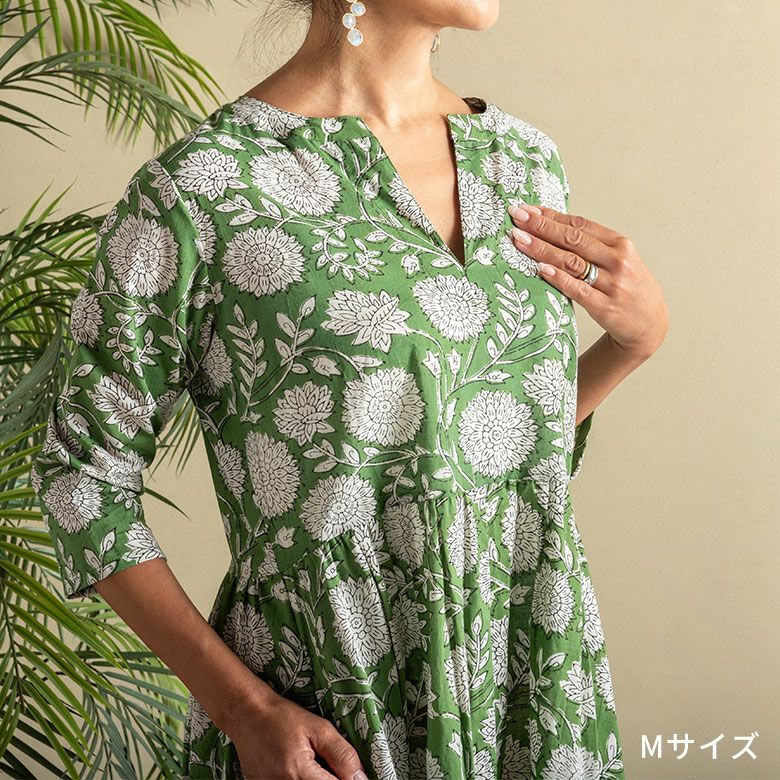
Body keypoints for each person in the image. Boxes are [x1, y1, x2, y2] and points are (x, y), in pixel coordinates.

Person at [29, 0, 669, 777]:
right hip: (335, 694)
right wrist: (243, 710)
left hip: (529, 674)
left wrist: (632, 345)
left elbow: (487, 445)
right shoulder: (206, 187)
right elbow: (81, 476)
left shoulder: (523, 160)